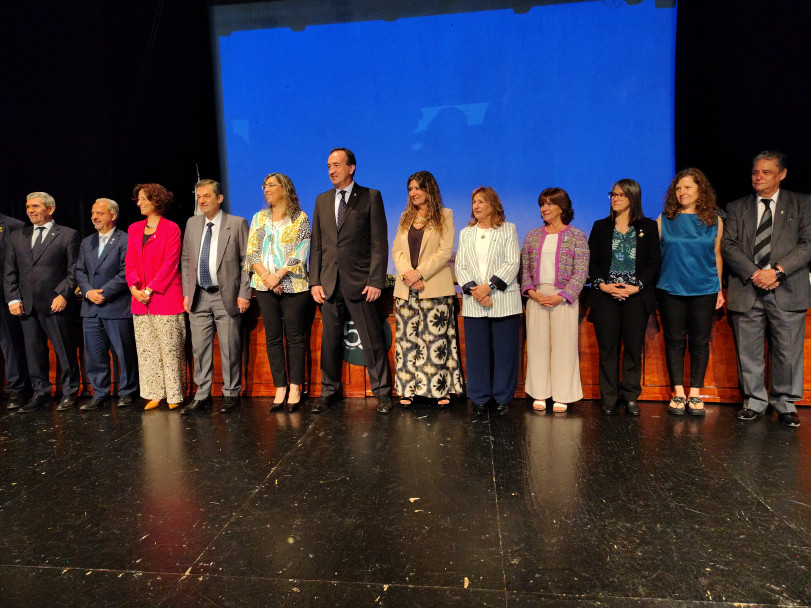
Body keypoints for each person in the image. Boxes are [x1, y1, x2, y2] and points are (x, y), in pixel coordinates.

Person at [723, 151, 811, 428]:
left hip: (787, 288)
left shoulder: (802, 203)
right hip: (747, 287)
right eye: (755, 172)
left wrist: (777, 271)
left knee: (788, 351)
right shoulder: (737, 207)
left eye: (766, 172)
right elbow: (728, 246)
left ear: (782, 174)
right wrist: (755, 273)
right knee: (748, 351)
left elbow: (807, 244)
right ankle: (753, 402)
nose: (758, 177)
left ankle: (785, 404)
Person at [310, 148, 392, 414]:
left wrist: (376, 280)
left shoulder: (370, 197)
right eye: (328, 166)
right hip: (329, 283)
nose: (332, 170)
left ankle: (382, 392)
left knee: (372, 340)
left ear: (351, 167)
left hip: (360, 283)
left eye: (336, 165)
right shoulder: (322, 200)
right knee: (330, 341)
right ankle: (328, 390)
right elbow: (317, 245)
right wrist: (315, 281)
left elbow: (379, 243)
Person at [391, 171, 463, 408]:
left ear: (429, 189)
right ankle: (407, 389)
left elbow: (444, 252)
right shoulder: (405, 217)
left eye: (418, 188)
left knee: (435, 341)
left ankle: (439, 389)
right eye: (410, 189)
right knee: (407, 341)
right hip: (406, 289)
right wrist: (409, 275)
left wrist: (420, 273)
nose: (413, 193)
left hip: (434, 287)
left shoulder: (445, 215)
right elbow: (397, 252)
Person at [588, 180, 660, 416]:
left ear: (633, 198)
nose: (615, 198)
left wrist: (636, 286)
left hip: (635, 297)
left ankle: (630, 396)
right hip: (606, 296)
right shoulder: (600, 227)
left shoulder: (648, 227)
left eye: (621, 195)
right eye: (613, 194)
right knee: (607, 349)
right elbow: (593, 262)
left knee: (632, 347)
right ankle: (608, 397)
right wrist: (604, 286)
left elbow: (653, 263)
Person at [4, 192, 81, 412]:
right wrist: (13, 298)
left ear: (50, 209)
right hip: (26, 305)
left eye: (35, 206)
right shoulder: (18, 235)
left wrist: (64, 294)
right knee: (34, 352)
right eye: (28, 206)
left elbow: (73, 270)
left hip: (55, 303)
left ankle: (69, 392)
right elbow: (10, 271)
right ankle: (41, 392)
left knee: (64, 351)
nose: (30, 210)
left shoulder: (67, 234)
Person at [656, 168, 724, 417]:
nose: (682, 192)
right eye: (678, 188)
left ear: (700, 190)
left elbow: (717, 255)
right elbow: (653, 255)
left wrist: (718, 289)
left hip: (704, 288)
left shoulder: (714, 219)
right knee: (674, 340)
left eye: (687, 187)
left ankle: (695, 393)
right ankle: (678, 393)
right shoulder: (665, 219)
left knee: (699, 341)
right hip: (671, 287)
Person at [180, 179, 251, 415]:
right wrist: (187, 292)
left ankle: (231, 393)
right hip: (199, 295)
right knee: (200, 349)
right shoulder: (191, 223)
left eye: (206, 196)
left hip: (226, 295)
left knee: (230, 347)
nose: (201, 201)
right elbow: (187, 260)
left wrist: (244, 293)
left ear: (219, 199)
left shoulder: (236, 223)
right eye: (198, 196)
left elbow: (246, 262)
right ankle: (203, 395)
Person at [245, 173, 311, 413]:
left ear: (285, 188)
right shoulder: (259, 218)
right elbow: (252, 253)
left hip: (294, 286)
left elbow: (300, 252)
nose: (266, 189)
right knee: (272, 338)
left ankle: (295, 387)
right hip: (264, 286)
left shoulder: (300, 218)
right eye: (265, 186)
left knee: (294, 337)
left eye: (272, 185)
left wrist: (279, 276)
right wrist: (267, 278)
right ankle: (280, 387)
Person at [520, 188, 589, 413]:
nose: (545, 208)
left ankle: (562, 395)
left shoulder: (577, 236)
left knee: (563, 347)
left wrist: (561, 296)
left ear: (562, 207)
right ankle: (540, 393)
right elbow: (526, 272)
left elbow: (581, 272)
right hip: (537, 297)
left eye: (550, 203)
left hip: (564, 299)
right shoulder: (532, 235)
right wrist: (533, 293)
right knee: (538, 347)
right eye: (542, 204)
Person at [455, 187, 522, 416]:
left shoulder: (508, 229)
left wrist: (489, 287)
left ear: (493, 205)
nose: (477, 206)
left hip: (503, 300)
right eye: (474, 201)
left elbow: (513, 263)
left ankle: (503, 397)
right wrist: (476, 291)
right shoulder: (466, 233)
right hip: (475, 302)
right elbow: (460, 266)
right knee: (477, 353)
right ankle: (480, 397)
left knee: (505, 353)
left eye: (482, 201)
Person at [125, 183, 186, 410]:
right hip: (139, 301)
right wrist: (133, 288)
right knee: (147, 351)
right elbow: (130, 261)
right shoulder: (134, 228)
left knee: (170, 349)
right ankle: (154, 393)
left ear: (156, 200)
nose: (138, 203)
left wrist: (150, 289)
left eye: (142, 199)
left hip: (165, 297)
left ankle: (174, 395)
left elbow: (170, 263)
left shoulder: (171, 228)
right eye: (138, 199)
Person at [74, 198, 139, 410]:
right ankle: (99, 393)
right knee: (95, 355)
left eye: (99, 213)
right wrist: (87, 291)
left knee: (123, 352)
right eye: (93, 213)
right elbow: (79, 271)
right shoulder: (87, 242)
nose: (94, 217)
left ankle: (127, 392)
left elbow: (125, 273)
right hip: (91, 308)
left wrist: (104, 293)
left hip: (116, 306)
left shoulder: (125, 240)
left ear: (113, 215)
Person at [0, 212, 29, 409]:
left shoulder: (13, 225)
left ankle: (17, 390)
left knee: (9, 343)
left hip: (4, 295)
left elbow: (18, 263)